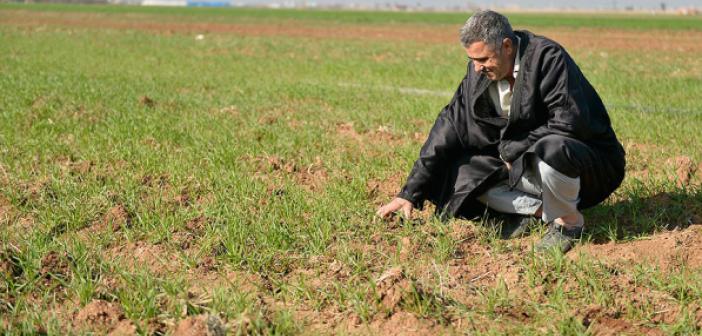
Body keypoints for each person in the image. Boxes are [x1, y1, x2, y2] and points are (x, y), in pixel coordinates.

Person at [376, 10, 625, 253]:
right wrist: (409, 193)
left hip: (585, 166)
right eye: (472, 60)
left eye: (483, 59)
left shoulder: (547, 57)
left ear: (507, 46)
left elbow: (570, 122)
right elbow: (448, 126)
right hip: (523, 169)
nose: (476, 68)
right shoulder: (478, 73)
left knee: (552, 147)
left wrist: (514, 151)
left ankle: (568, 224)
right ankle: (539, 212)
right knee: (460, 172)